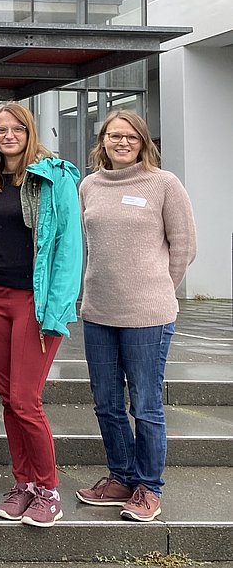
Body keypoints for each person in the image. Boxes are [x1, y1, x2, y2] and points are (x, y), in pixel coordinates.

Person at [0, 102, 82, 528]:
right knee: (8, 400)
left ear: (30, 132)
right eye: (0, 130)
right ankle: (23, 483)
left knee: (27, 401)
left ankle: (49, 490)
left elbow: (68, 247)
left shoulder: (54, 176)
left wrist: (57, 309)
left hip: (35, 303)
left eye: (16, 129)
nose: (8, 135)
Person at [76, 110, 196, 523]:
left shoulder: (164, 184)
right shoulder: (89, 185)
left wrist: (157, 288)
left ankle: (149, 487)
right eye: (114, 136)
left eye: (130, 137)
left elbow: (183, 246)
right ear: (103, 141)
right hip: (98, 311)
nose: (121, 142)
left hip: (148, 314)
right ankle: (121, 477)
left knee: (145, 405)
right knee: (106, 403)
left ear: (144, 142)